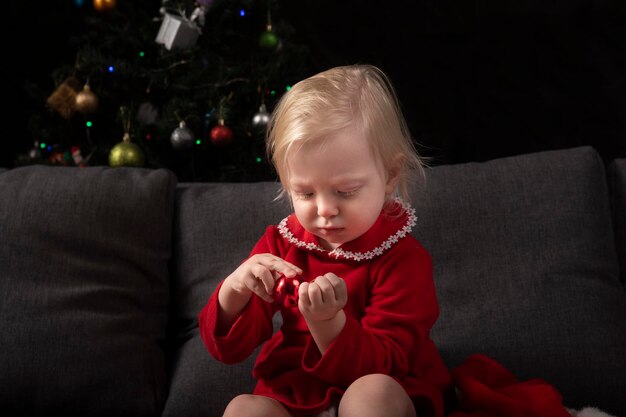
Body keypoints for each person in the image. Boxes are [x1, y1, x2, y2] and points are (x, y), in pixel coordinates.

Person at [198, 64, 452, 417]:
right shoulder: (282, 243)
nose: (325, 210)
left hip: (381, 382)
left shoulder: (403, 258)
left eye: (345, 191)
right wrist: (235, 291)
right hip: (297, 388)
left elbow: (388, 361)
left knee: (371, 395)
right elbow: (229, 350)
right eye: (304, 193)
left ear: (390, 175)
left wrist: (328, 324)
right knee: (243, 409)